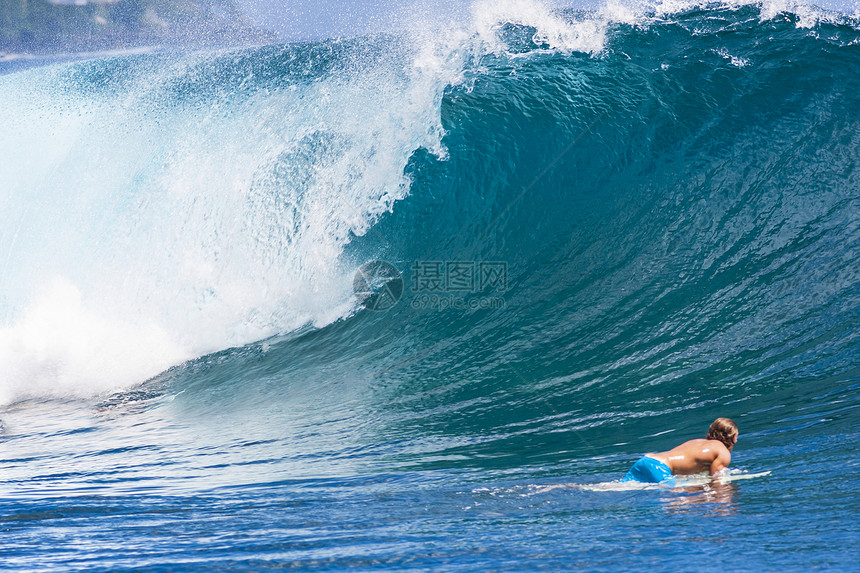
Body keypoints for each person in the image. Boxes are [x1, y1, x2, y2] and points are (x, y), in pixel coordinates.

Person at [621, 418, 739, 484]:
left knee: (616, 487)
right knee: (684, 497)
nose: (737, 440)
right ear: (731, 437)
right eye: (736, 437)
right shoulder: (723, 452)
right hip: (660, 469)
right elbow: (716, 481)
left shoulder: (697, 442)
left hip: (646, 460)